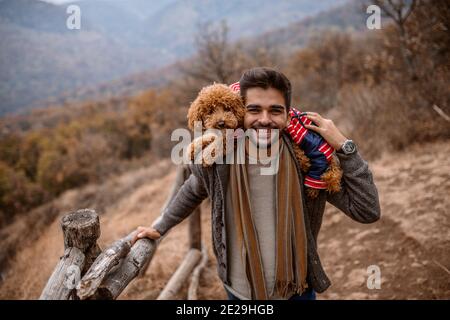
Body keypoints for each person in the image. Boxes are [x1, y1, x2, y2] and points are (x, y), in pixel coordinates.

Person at [132, 67, 381, 300]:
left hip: (297, 287)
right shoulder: (221, 162)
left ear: (287, 114)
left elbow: (367, 211)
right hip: (238, 289)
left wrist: (345, 147)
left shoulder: (308, 163)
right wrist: (161, 227)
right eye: (254, 110)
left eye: (275, 110)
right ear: (241, 112)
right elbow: (192, 190)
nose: (264, 120)